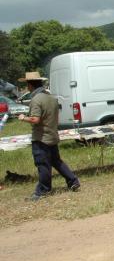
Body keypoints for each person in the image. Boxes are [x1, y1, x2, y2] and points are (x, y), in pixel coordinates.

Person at [17, 71, 80, 200]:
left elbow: (35, 119)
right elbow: (55, 118)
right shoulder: (51, 97)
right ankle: (73, 181)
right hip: (52, 135)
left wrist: (23, 118)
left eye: (27, 85)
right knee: (57, 162)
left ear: (30, 85)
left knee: (42, 164)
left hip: (41, 138)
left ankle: (43, 190)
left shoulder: (36, 99)